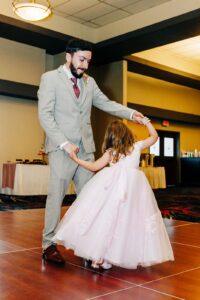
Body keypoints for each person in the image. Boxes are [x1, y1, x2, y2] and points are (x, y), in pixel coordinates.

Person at [38, 38, 144, 264]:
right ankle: (48, 245)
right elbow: (45, 115)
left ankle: (89, 246)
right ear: (68, 56)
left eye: (88, 61)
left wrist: (130, 113)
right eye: (81, 59)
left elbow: (106, 103)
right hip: (61, 149)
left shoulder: (90, 82)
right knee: (55, 197)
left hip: (86, 150)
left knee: (91, 198)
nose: (85, 65)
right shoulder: (50, 79)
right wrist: (64, 143)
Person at [53, 118, 174, 270]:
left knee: (107, 220)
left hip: (112, 190)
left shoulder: (111, 152)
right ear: (126, 133)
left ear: (110, 136)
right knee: (126, 222)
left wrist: (77, 160)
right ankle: (108, 256)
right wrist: (146, 122)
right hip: (132, 191)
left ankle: (100, 256)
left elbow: (94, 167)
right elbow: (154, 137)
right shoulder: (136, 147)